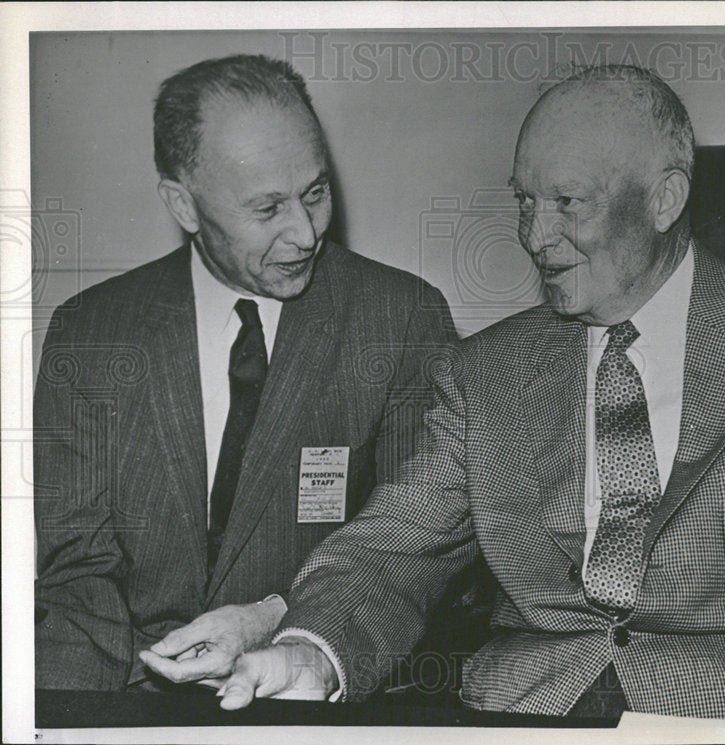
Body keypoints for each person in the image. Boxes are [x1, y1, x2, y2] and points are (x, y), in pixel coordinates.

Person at [153, 64, 725, 727]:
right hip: (526, 714)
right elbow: (393, 546)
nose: (536, 235)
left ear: (665, 199)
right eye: (526, 201)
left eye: (567, 202)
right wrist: (312, 652)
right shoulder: (487, 371)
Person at [34, 54, 456, 691]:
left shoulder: (400, 319)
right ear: (184, 205)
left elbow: (419, 551)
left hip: (311, 690)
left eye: (315, 194)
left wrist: (282, 626)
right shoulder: (90, 333)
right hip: (126, 692)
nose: (305, 234)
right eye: (267, 209)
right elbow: (79, 579)